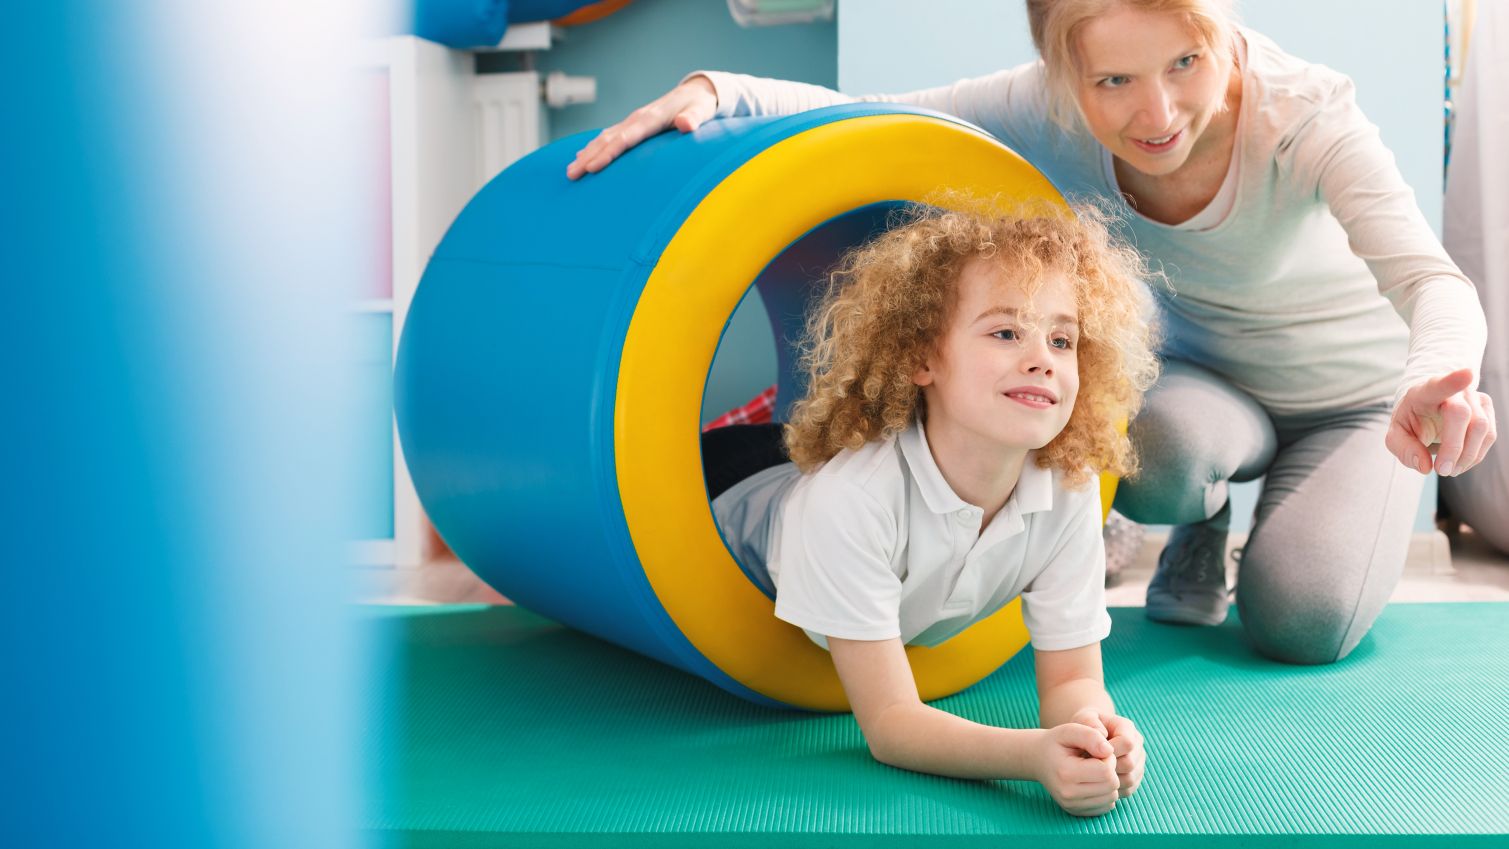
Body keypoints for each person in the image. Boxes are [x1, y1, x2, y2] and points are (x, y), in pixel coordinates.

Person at [570, 0, 1497, 664]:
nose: (1157, 113)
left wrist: (1440, 373)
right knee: (1155, 451)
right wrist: (712, 87)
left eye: (1185, 65)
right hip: (1202, 387)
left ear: (1223, 35)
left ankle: (1247, 528)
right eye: (1113, 81)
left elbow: (1432, 283)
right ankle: (1199, 518)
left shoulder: (1306, 116)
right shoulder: (1040, 102)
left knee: (1303, 625)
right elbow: (869, 116)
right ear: (1066, 76)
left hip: (1354, 400)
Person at [701, 199, 1159, 816]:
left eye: (1062, 339)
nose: (1042, 358)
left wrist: (1095, 733)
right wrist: (1032, 757)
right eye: (1005, 332)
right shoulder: (850, 502)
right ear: (922, 358)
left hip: (805, 483)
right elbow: (892, 724)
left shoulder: (1068, 487)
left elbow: (1074, 680)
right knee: (761, 446)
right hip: (734, 485)